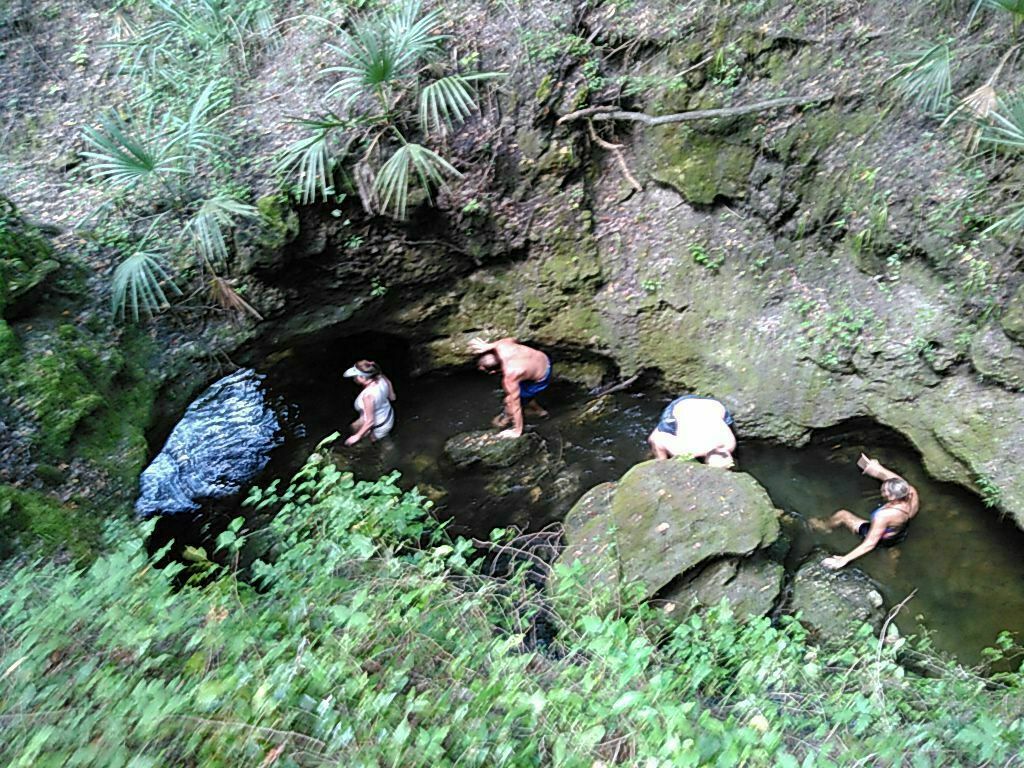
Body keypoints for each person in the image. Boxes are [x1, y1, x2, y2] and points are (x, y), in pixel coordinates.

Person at [816, 453, 919, 570]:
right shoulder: (910, 492)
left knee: (843, 515)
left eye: (884, 490)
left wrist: (843, 560)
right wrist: (876, 469)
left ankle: (824, 527)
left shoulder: (884, 515)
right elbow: (893, 479)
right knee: (892, 536)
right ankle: (892, 549)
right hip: (899, 532)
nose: (882, 489)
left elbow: (870, 543)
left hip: (882, 538)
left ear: (891, 497)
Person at [469, 337, 551, 439]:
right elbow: (515, 339)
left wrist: (517, 430)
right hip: (543, 359)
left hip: (540, 378)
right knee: (522, 395)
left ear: (493, 372)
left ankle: (509, 417)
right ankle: (539, 411)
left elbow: (515, 404)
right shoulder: (503, 345)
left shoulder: (511, 376)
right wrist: (489, 346)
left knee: (509, 400)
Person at [647, 395, 736, 468]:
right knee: (659, 442)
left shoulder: (730, 443)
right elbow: (655, 438)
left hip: (713, 405)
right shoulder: (684, 450)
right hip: (682, 406)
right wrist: (662, 462)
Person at [343, 360, 396, 445]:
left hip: (380, 426)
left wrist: (357, 436)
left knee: (376, 444)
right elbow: (392, 397)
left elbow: (370, 421)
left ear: (363, 378)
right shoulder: (381, 377)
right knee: (353, 426)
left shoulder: (368, 396)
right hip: (388, 414)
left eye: (356, 376)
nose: (354, 378)